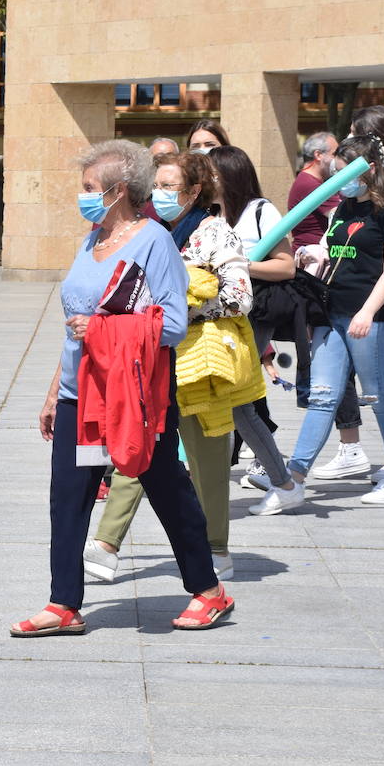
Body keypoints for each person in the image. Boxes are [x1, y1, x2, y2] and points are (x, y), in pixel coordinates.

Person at [12, 139, 232, 637]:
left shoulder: (153, 240)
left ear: (117, 190)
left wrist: (104, 331)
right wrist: (54, 390)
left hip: (134, 396)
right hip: (81, 394)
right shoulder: (91, 241)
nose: (83, 196)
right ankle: (63, 603)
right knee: (68, 495)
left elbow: (173, 324)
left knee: (165, 489)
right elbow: (76, 325)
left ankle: (208, 590)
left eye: (90, 188)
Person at [87, 151, 254, 582]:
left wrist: (183, 304)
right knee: (137, 445)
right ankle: (106, 544)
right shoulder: (147, 231)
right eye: (155, 185)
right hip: (150, 359)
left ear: (194, 191)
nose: (158, 195)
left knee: (208, 461)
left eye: (168, 186)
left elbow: (240, 296)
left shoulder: (215, 233)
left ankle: (216, 548)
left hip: (201, 365)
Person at [264, 135, 384, 508]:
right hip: (332, 313)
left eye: (346, 171)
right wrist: (311, 257)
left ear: (370, 170)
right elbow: (337, 254)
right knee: (322, 397)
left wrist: (367, 311)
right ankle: (293, 481)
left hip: (374, 317)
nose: (340, 178)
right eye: (336, 171)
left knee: (380, 395)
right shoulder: (346, 207)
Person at [309, 106, 384, 482]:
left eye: (354, 133)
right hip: (344, 296)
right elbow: (334, 243)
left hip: (380, 294)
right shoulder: (346, 199)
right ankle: (346, 451)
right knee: (336, 385)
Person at [199, 146, 305, 515]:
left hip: (252, 315)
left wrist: (238, 264)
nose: (203, 179)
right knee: (214, 398)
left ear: (227, 175)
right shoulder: (206, 213)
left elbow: (286, 267)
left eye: (209, 172)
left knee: (239, 402)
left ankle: (283, 481)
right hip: (210, 317)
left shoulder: (260, 210)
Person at [289, 131, 341, 251]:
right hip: (312, 258)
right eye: (335, 154)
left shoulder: (312, 181)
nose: (338, 159)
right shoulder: (309, 184)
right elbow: (339, 214)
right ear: (318, 155)